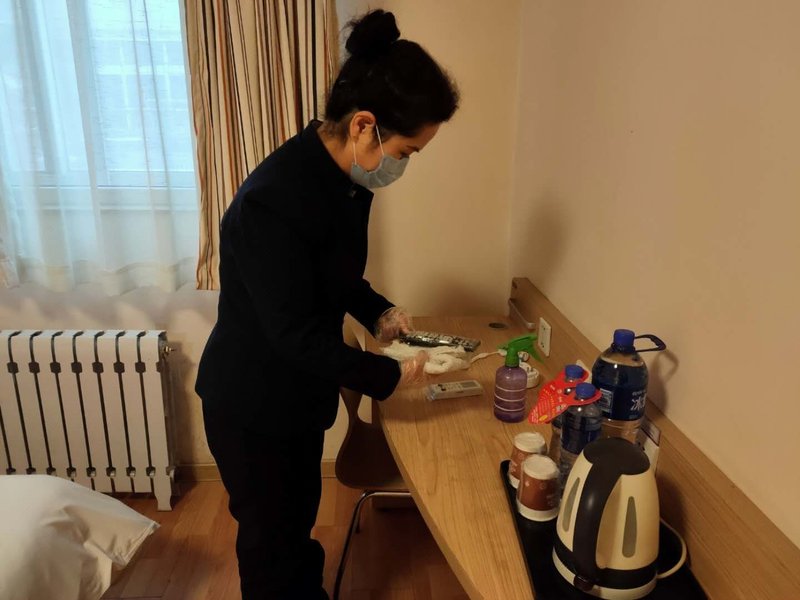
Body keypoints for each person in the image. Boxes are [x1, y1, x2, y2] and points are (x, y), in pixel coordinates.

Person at [195, 9, 459, 600]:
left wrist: (379, 311)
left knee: (296, 528)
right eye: (407, 150)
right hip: (252, 405)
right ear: (365, 126)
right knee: (270, 544)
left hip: (297, 395)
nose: (404, 164)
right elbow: (291, 333)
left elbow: (333, 276)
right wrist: (387, 374)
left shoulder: (346, 181)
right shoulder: (273, 201)